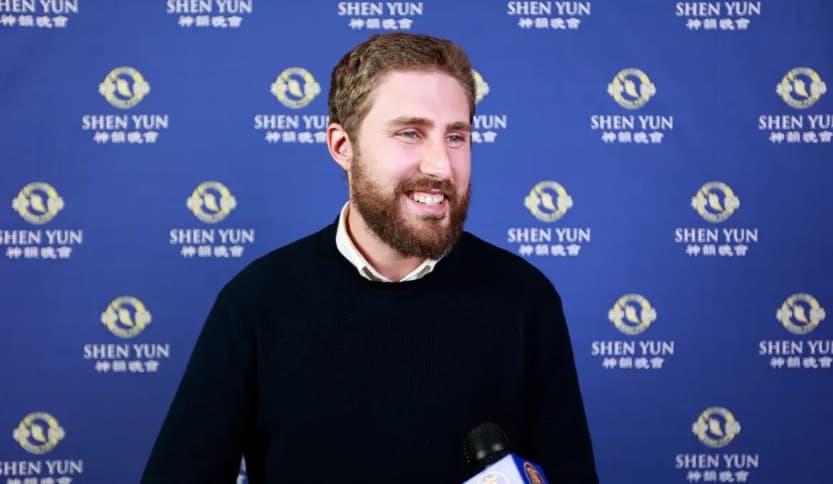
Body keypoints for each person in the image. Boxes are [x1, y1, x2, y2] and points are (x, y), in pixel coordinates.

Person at [141, 32, 599, 483]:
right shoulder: (256, 303)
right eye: (410, 133)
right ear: (343, 147)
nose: (441, 165)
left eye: (456, 137)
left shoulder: (524, 297)